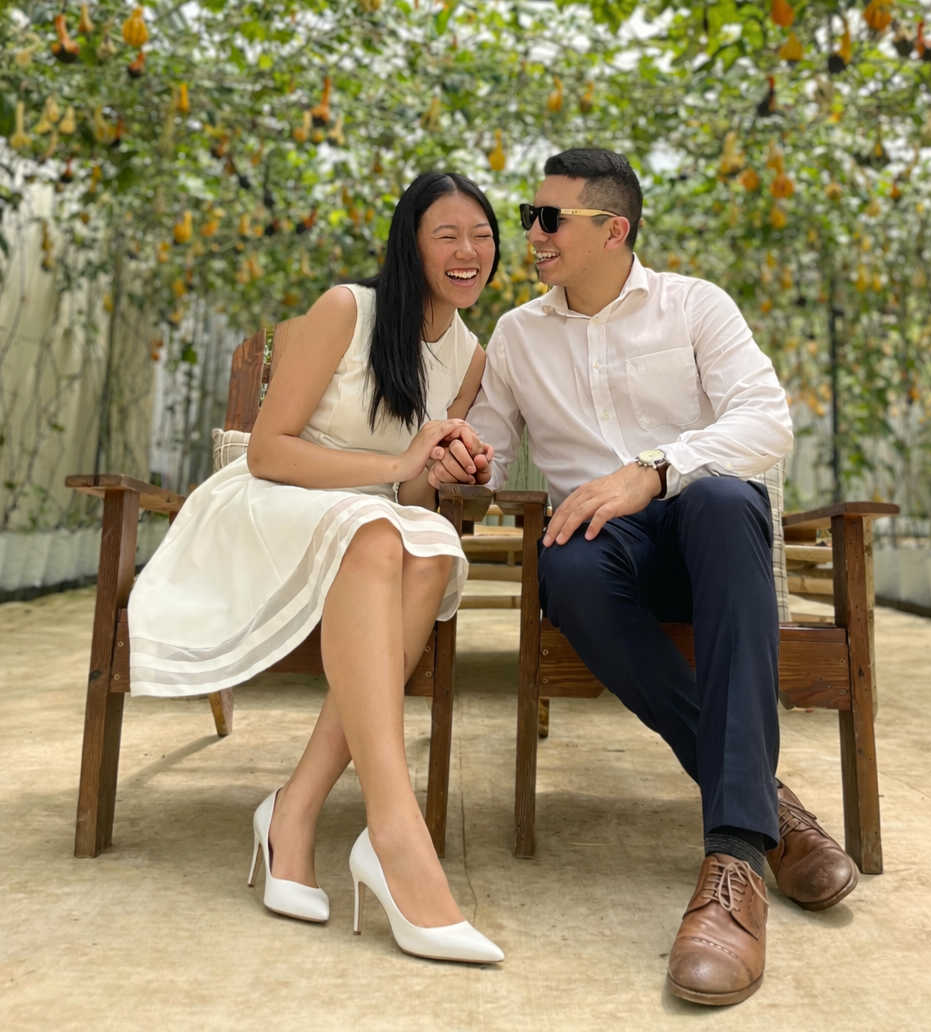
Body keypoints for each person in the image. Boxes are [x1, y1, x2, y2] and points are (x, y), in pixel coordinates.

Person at [428, 147, 858, 1005]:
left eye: (550, 219)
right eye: (531, 217)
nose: (532, 234)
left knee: (725, 497)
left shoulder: (694, 305)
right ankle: (768, 810)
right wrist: (467, 460)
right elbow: (496, 453)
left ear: (613, 229)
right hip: (605, 556)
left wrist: (654, 471)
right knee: (565, 562)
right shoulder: (518, 335)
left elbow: (766, 421)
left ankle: (733, 859)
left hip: (709, 547)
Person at [129, 173, 503, 965]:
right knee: (379, 534)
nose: (468, 250)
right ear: (410, 246)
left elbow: (411, 492)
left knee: (431, 547)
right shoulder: (347, 310)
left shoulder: (470, 355)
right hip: (272, 505)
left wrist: (440, 467)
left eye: (481, 234)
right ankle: (395, 834)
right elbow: (268, 452)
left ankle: (294, 809)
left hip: (368, 520)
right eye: (446, 234)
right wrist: (397, 465)